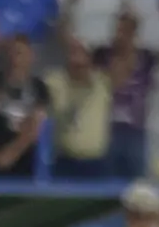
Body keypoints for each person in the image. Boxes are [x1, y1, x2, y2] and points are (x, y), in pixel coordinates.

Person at [0, 36, 47, 179]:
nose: (14, 58)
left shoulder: (39, 88)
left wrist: (11, 154)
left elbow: (37, 124)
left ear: (30, 56)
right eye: (10, 52)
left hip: (24, 160)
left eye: (19, 53)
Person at [45, 36, 114, 179]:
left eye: (81, 53)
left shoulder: (102, 81)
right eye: (73, 52)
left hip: (96, 162)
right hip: (65, 160)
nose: (76, 59)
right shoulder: (54, 80)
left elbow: (124, 64)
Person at [103, 10, 157, 178]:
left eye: (125, 30)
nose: (121, 35)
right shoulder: (104, 56)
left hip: (136, 129)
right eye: (118, 30)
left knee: (137, 181)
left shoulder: (147, 58)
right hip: (107, 128)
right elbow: (114, 83)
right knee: (108, 178)